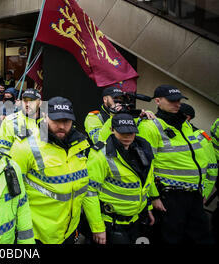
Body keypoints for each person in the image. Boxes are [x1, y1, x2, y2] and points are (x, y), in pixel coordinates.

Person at [137, 84, 214, 244]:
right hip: (169, 196)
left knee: (201, 236)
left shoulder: (185, 125)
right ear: (157, 101)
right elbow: (146, 166)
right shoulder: (150, 126)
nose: (177, 104)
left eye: (178, 100)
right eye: (172, 101)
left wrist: (203, 188)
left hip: (194, 193)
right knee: (170, 238)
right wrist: (154, 196)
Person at [9, 96, 90, 244]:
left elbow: (85, 188)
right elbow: (11, 195)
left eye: (66, 121)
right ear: (45, 116)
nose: (61, 126)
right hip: (37, 235)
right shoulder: (25, 146)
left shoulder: (81, 145)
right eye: (56, 120)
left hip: (69, 232)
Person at [84, 113, 158, 244]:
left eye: (131, 132)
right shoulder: (101, 154)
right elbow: (89, 192)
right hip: (110, 223)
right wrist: (98, 228)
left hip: (135, 221)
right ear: (112, 129)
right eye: (122, 132)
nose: (127, 136)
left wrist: (147, 208)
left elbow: (145, 182)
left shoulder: (142, 150)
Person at [0, 88, 42, 155]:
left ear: (40, 103)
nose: (28, 104)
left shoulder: (47, 121)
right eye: (25, 101)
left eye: (32, 101)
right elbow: (3, 150)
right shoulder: (9, 121)